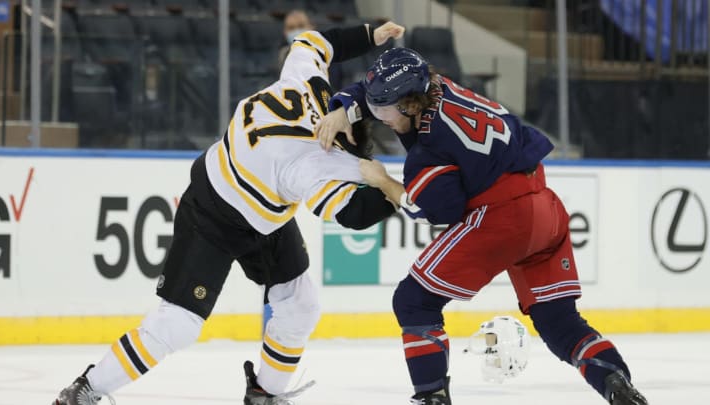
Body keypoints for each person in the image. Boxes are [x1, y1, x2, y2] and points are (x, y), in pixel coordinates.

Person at [52, 22, 404, 405]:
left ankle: (264, 395)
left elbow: (314, 41)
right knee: (178, 323)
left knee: (300, 305)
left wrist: (370, 34)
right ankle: (85, 389)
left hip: (263, 212)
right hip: (213, 213)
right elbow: (352, 214)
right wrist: (387, 184)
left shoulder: (306, 83)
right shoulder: (315, 162)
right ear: (345, 141)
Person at [316, 48, 648, 405]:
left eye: (385, 110)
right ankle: (616, 382)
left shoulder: (429, 147)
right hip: (546, 208)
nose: (380, 118)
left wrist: (383, 181)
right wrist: (343, 109)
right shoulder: (442, 86)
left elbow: (433, 212)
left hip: (503, 219)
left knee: (414, 302)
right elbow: (380, 95)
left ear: (411, 105)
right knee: (559, 322)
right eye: (375, 109)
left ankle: (431, 398)